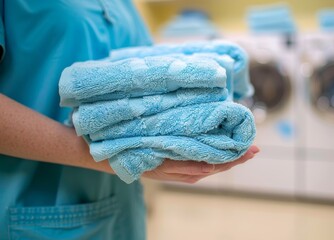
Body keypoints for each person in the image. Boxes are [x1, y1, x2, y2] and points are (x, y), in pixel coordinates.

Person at [0, 0, 259, 239]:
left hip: (121, 210)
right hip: (31, 204)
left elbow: (143, 72)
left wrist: (156, 147)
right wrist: (122, 155)